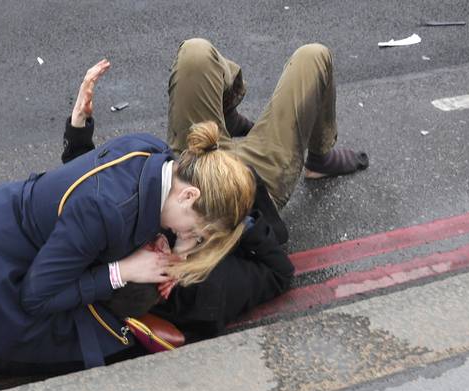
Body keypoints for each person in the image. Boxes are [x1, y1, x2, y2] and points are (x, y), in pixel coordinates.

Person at [0, 67, 255, 377]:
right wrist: (124, 270)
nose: (187, 237)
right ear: (189, 196)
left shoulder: (153, 152)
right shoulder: (105, 211)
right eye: (195, 230)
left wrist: (78, 132)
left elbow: (85, 186)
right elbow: (36, 298)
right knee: (102, 345)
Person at [64, 40, 369, 341]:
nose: (157, 246)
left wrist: (79, 128)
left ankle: (225, 119)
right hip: (252, 181)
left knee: (195, 54)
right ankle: (319, 155)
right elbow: (279, 273)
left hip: (195, 160)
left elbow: (89, 191)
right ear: (164, 286)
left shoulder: (121, 242)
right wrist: (237, 221)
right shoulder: (206, 297)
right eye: (160, 259)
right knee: (313, 56)